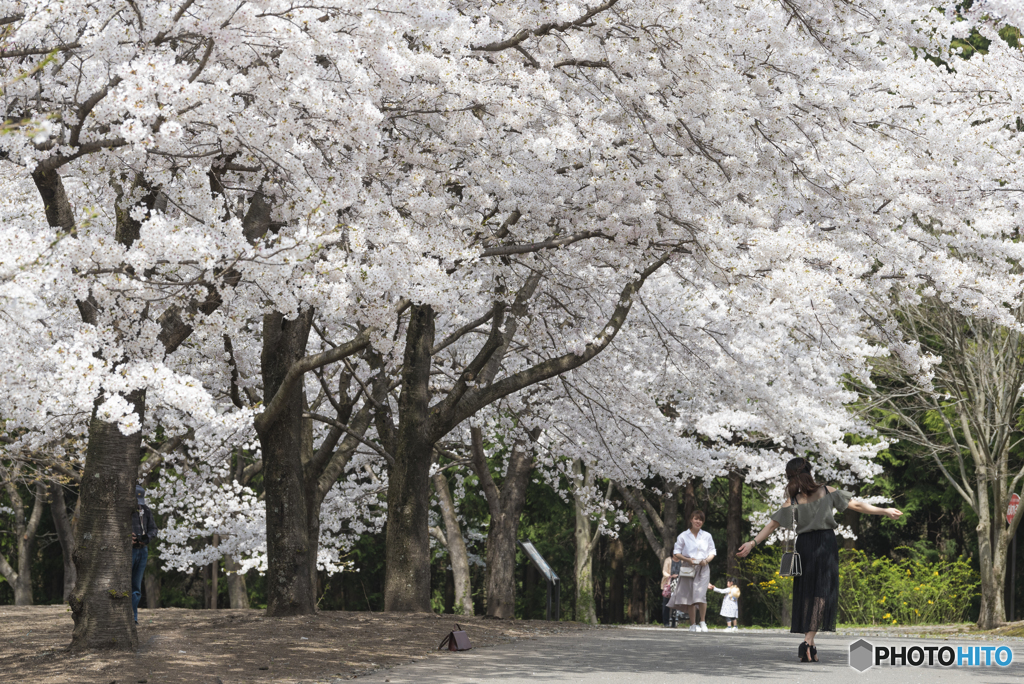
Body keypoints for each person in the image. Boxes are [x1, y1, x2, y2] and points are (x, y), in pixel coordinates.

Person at [736, 457, 902, 662]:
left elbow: (772, 525)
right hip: (825, 544)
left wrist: (752, 543)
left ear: (790, 477)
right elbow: (856, 505)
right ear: (809, 472)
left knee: (808, 592)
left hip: (804, 545)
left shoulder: (793, 501)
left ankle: (811, 646)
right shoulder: (826, 491)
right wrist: (884, 510)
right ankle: (807, 641)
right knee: (823, 591)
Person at [668, 509, 716, 632]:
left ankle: (703, 622)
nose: (698, 521)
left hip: (703, 567)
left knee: (701, 595)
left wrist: (706, 561)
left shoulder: (707, 536)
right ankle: (693, 624)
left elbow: (712, 552)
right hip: (688, 567)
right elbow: (676, 552)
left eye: (700, 519)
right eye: (696, 519)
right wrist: (687, 560)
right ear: (691, 520)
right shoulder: (683, 535)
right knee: (689, 596)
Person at [131, 484, 158, 625]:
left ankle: (134, 617)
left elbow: (154, 528)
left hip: (143, 551)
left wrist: (147, 537)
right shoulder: (123, 512)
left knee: (136, 585)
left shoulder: (146, 510)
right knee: (125, 584)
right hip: (128, 551)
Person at [660, 555, 678, 627]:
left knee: (676, 604)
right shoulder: (668, 560)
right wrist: (670, 576)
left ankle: (674, 622)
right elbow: (664, 572)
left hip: (679, 584)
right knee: (666, 603)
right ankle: (666, 622)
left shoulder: (682, 561)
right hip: (669, 584)